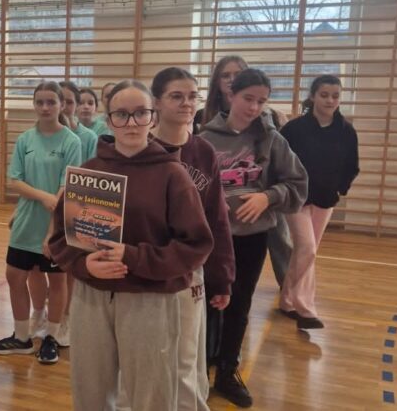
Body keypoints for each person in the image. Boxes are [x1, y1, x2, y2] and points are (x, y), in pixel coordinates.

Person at [49, 78, 214, 410]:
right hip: (92, 297)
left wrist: (134, 257)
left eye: (141, 113)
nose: (131, 123)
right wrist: (83, 264)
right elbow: (60, 240)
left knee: (150, 395)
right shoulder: (89, 172)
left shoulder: (173, 175)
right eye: (121, 114)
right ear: (109, 120)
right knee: (90, 392)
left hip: (149, 297)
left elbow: (196, 245)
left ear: (153, 117)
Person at [199, 68, 308, 408]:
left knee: (239, 305)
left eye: (261, 101)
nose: (254, 107)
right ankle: (199, 371)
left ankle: (227, 372)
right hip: (210, 241)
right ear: (231, 95)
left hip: (251, 238)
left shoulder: (271, 139)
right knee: (204, 306)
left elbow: (298, 184)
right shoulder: (204, 138)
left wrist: (267, 197)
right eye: (248, 98)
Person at [151, 67, 235, 410]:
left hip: (190, 270)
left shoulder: (204, 151)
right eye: (176, 96)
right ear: (157, 102)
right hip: (148, 270)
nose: (186, 103)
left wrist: (222, 277)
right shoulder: (141, 150)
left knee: (186, 356)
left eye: (191, 96)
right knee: (149, 357)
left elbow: (217, 218)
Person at [0, 81, 81, 364]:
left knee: (57, 280)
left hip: (56, 224)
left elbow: (67, 187)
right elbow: (15, 180)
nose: (45, 107)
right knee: (14, 276)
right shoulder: (25, 139)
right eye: (39, 102)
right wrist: (43, 196)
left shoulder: (71, 141)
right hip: (27, 221)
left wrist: (52, 233)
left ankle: (51, 337)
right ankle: (21, 337)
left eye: (51, 102)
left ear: (61, 105)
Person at [279, 74, 359, 329]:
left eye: (335, 96)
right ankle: (306, 309)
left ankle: (287, 301)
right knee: (307, 249)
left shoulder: (346, 131)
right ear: (313, 96)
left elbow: (352, 165)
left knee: (304, 252)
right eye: (324, 95)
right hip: (296, 198)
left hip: (325, 199)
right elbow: (277, 158)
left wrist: (341, 188)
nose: (330, 100)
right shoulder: (294, 129)